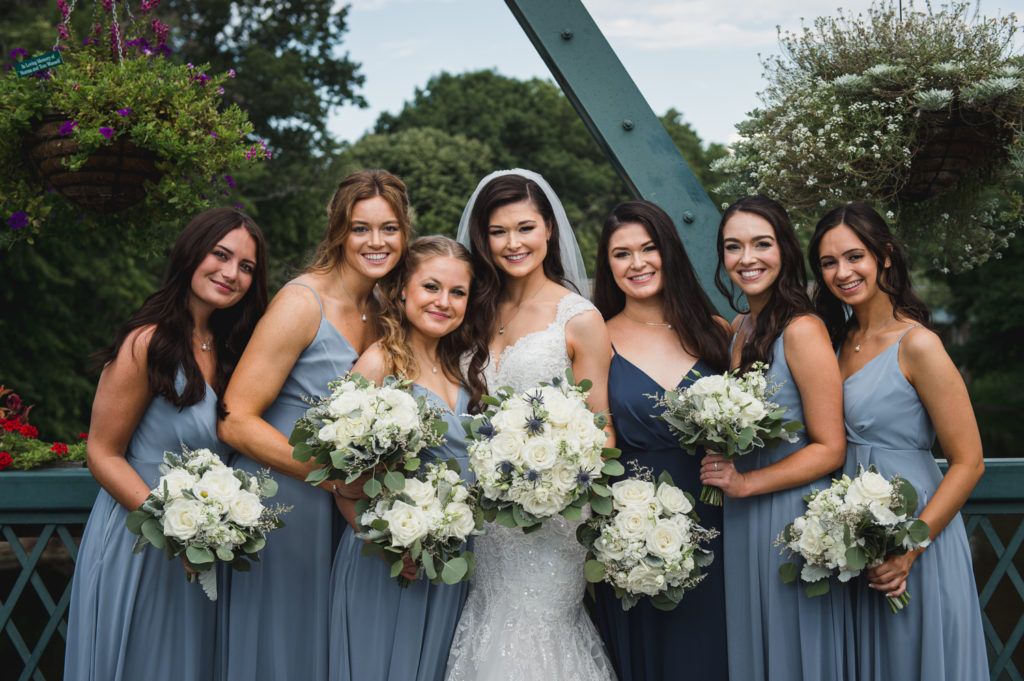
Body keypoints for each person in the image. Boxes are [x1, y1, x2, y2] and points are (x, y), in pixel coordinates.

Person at [217, 170, 411, 681]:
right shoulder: (302, 302)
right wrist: (330, 479)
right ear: (338, 231)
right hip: (285, 500)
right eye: (360, 227)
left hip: (345, 511)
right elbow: (235, 419)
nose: (376, 242)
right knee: (283, 650)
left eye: (388, 228)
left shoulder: (385, 308)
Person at [64, 207, 267, 681]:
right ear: (192, 252)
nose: (231, 273)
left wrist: (207, 532)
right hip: (142, 537)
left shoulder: (229, 348)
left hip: (205, 545)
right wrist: (173, 529)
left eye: (246, 267)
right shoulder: (147, 342)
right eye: (221, 255)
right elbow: (102, 453)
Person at [444, 169, 616, 681]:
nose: (513, 243)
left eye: (525, 228)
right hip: (483, 518)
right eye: (498, 232)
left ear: (549, 230)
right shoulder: (470, 308)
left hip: (550, 518)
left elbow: (602, 432)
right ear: (483, 237)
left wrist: (549, 475)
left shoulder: (578, 317)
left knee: (538, 635)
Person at [808, 201, 989, 681]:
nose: (842, 272)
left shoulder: (919, 345)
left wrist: (910, 548)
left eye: (854, 257)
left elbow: (969, 462)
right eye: (829, 262)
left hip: (914, 537)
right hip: (850, 542)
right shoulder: (832, 340)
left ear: (884, 256)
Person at [699, 195, 852, 681]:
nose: (747, 259)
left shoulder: (803, 329)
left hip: (791, 516)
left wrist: (746, 484)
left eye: (761, 244)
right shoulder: (738, 328)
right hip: (742, 520)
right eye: (733, 247)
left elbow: (830, 448)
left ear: (784, 249)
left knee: (794, 654)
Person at [329, 235, 486, 681]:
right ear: (402, 290)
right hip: (387, 559)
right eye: (431, 287)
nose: (444, 302)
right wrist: (389, 542)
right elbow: (342, 474)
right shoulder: (379, 363)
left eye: (457, 293)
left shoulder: (463, 370)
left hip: (449, 557)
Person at [590, 200, 731, 681]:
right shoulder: (597, 340)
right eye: (622, 254)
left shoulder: (715, 333)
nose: (638, 264)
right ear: (608, 266)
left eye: (648, 248)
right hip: (630, 528)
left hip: (718, 519)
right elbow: (596, 443)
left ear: (668, 251)